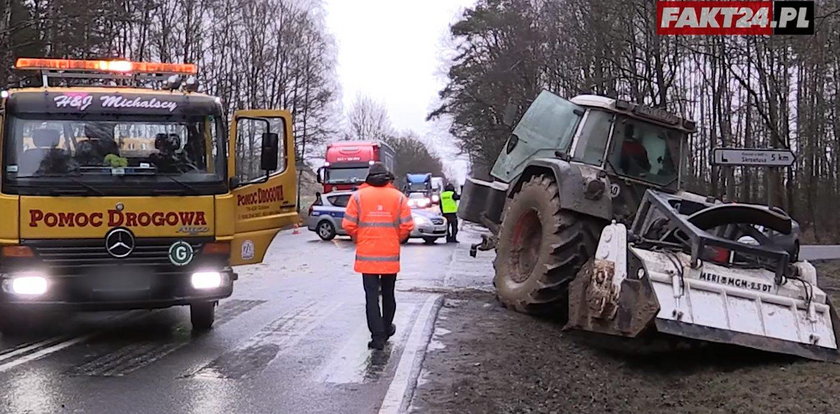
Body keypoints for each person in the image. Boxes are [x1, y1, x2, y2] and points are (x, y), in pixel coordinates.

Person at [342, 162, 414, 350]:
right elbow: (407, 225)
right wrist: (393, 238)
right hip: (390, 255)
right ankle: (387, 327)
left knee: (371, 297)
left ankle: (378, 337)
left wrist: (362, 237)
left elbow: (348, 225)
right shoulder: (398, 197)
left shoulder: (358, 197)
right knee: (388, 294)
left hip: (367, 256)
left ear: (369, 177)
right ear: (387, 177)